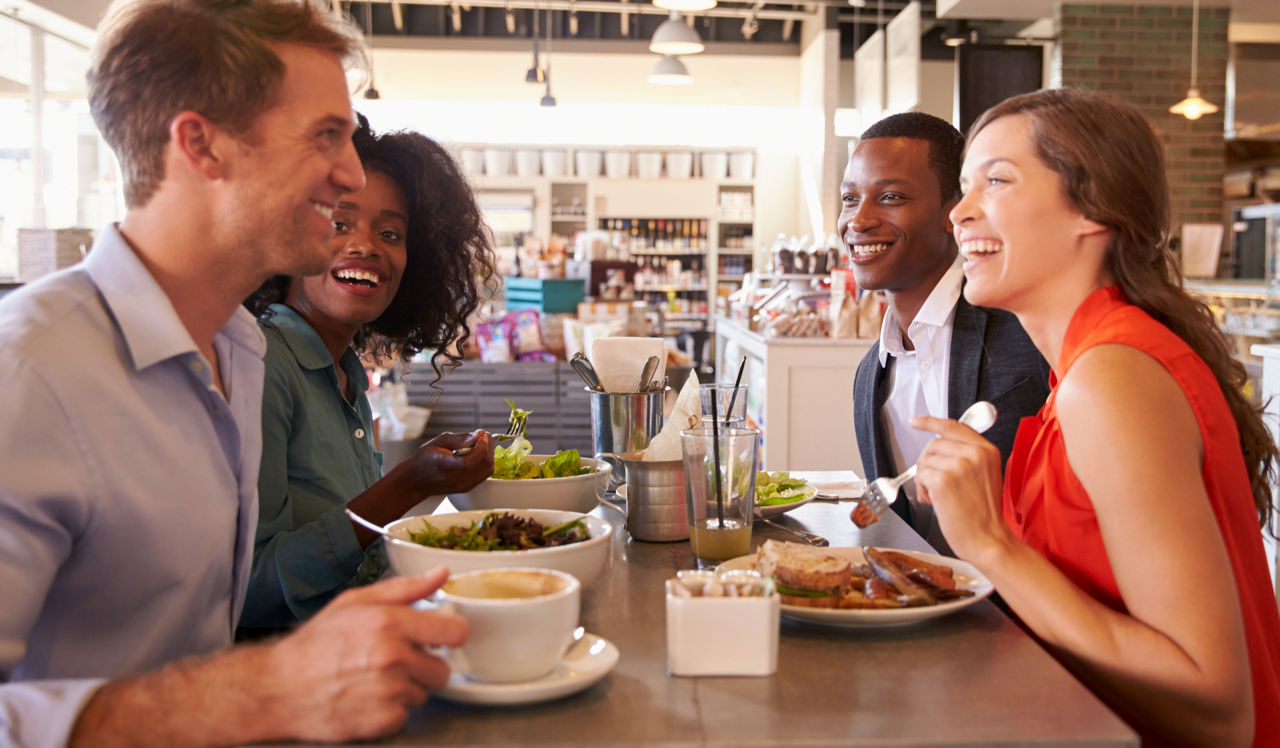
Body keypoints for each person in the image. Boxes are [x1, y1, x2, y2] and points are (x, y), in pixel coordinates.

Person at [0, 2, 469, 745]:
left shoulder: (239, 351)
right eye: (325, 136)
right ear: (202, 145)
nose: (350, 175)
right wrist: (253, 691)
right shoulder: (26, 373)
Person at [912, 88, 1280, 745]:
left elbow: (1219, 711)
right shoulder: (1088, 366)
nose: (958, 214)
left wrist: (991, 542)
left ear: (1093, 209)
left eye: (995, 181)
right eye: (965, 188)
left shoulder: (1109, 379)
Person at [240, 118, 497, 628]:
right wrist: (403, 486)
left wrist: (425, 479)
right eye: (340, 224)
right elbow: (247, 592)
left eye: (390, 232)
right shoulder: (262, 365)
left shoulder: (344, 375)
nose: (366, 245)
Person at [843, 112, 1050, 553]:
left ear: (952, 211)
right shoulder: (869, 377)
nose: (858, 220)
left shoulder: (1026, 338)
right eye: (849, 198)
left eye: (891, 196)